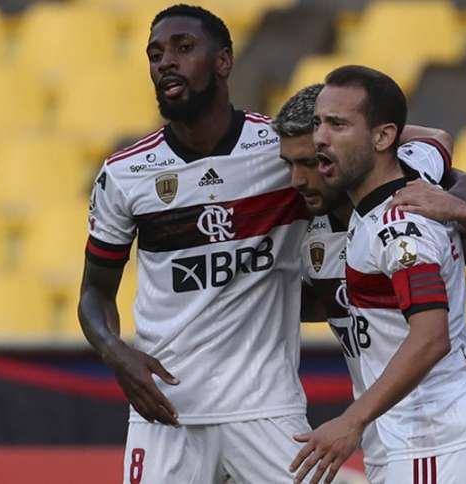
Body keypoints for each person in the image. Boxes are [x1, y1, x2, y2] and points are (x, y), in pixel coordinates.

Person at [78, 5, 315, 483]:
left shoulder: (279, 150)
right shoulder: (125, 175)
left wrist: (444, 167)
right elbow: (94, 294)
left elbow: (368, 146)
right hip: (167, 410)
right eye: (155, 54)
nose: (166, 62)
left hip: (265, 405)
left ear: (224, 61)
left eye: (184, 48)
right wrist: (113, 352)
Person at [274, 85, 466, 483]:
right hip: (406, 434)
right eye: (290, 164)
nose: (300, 179)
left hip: (430, 432)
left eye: (313, 159)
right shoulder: (316, 226)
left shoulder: (407, 207)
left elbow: (433, 334)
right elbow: (439, 140)